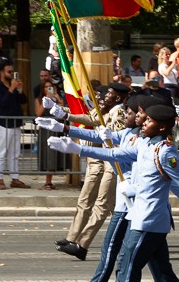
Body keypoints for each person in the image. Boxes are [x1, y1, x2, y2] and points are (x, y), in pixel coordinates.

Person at [47, 105, 179, 282]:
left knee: (126, 270)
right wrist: (78, 149)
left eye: (148, 120)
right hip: (142, 218)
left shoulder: (165, 151)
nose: (143, 122)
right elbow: (114, 153)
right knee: (163, 275)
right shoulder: (145, 144)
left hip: (147, 221)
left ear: (161, 126)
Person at [46, 83, 129, 260]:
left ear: (118, 98)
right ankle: (76, 240)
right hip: (107, 160)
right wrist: (63, 116)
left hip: (115, 163)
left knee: (103, 204)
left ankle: (82, 245)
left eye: (109, 94)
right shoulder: (107, 110)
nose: (104, 97)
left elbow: (117, 139)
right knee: (106, 205)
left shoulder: (119, 112)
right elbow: (90, 120)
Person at [0, 64, 30, 189]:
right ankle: (0, 179)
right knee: (2, 152)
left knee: (15, 153)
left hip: (15, 124)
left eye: (13, 71)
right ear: (2, 72)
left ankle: (15, 178)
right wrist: (11, 89)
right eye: (9, 71)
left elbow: (23, 101)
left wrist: (19, 89)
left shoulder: (12, 86)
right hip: (4, 124)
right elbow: (1, 103)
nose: (12, 73)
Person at [34, 80, 66, 190]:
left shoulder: (57, 99)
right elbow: (38, 113)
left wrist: (57, 98)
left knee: (55, 155)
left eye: (50, 87)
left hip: (57, 128)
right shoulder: (39, 99)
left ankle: (51, 180)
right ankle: (48, 181)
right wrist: (46, 100)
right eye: (46, 87)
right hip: (45, 130)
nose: (48, 89)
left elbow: (63, 110)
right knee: (48, 155)